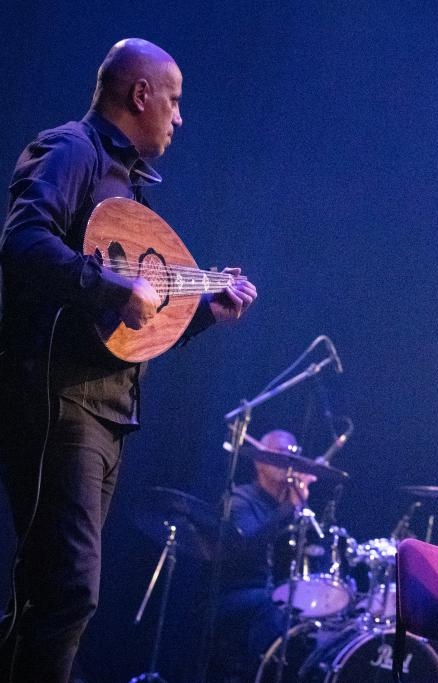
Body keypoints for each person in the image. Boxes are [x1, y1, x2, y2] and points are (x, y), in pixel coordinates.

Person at [0, 39, 257, 682]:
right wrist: (113, 286)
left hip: (108, 407)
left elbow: (133, 323)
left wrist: (202, 311)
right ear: (140, 94)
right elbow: (23, 241)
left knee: (48, 596)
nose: (179, 117)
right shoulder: (70, 151)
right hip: (59, 396)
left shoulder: (132, 195)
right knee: (66, 591)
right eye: (173, 101)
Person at [212, 429, 318, 683]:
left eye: (294, 455)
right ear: (259, 461)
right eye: (281, 454)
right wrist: (289, 508)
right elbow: (249, 545)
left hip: (273, 593)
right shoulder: (240, 500)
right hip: (234, 593)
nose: (289, 462)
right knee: (271, 604)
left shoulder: (290, 508)